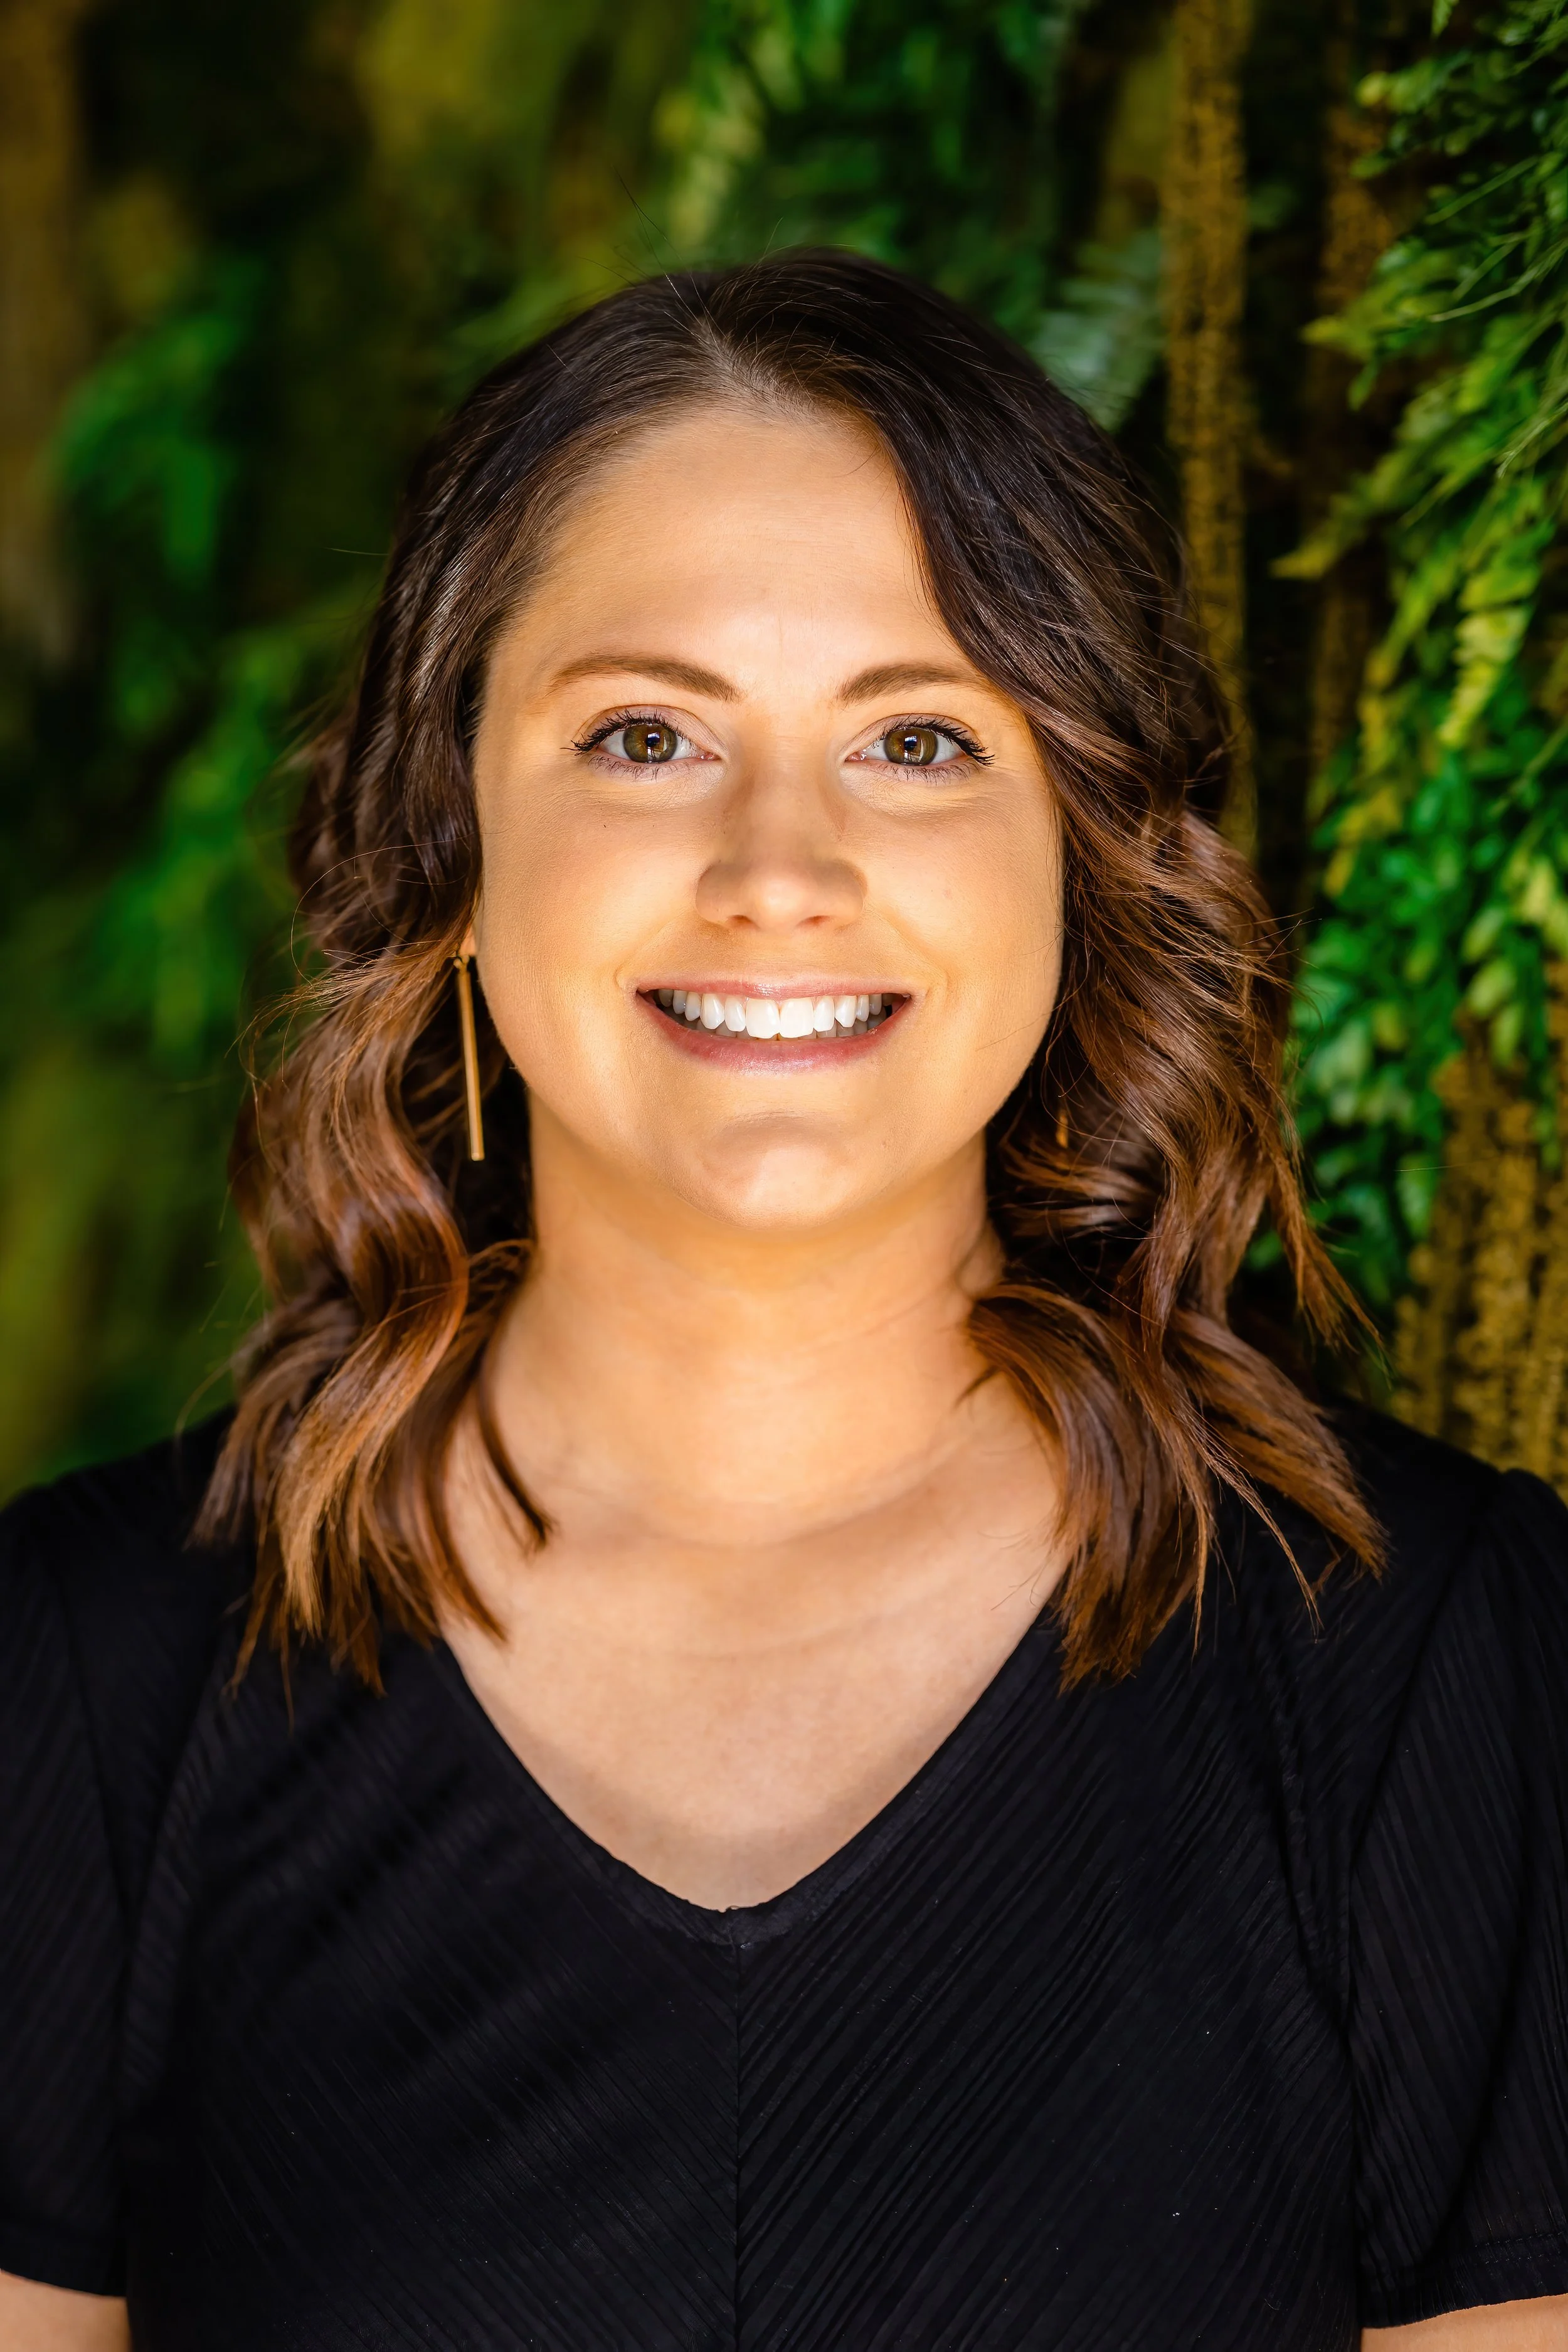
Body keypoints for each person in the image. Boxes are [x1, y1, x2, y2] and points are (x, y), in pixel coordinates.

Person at [3, 252, 1565, 2352]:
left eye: (918, 738)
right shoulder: (81, 1679)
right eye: (645, 733)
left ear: (1082, 849)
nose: (777, 865)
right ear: (452, 837)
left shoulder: (1434, 1667)